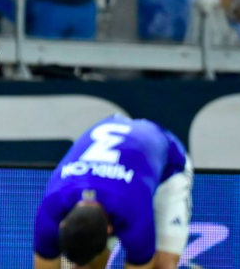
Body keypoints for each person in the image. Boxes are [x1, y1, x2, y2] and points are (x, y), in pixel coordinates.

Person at [33, 115, 193, 269]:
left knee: (163, 266)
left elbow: (140, 265)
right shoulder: (50, 210)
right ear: (62, 224)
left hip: (169, 167)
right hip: (125, 163)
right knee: (89, 266)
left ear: (110, 230)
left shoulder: (134, 213)